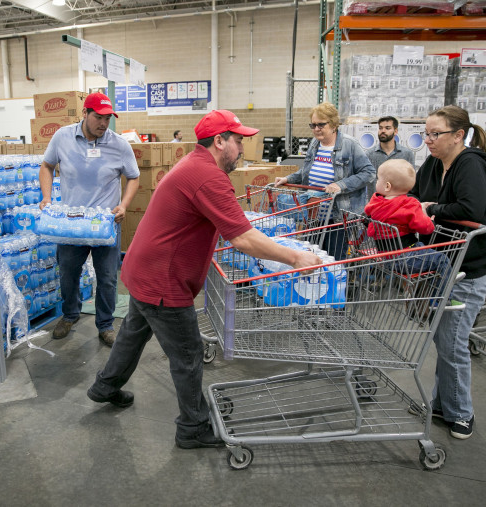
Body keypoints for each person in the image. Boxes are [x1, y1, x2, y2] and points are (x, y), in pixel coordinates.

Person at [86, 110, 322, 449]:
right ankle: (193, 428)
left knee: (132, 334)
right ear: (219, 141)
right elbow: (242, 238)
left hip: (143, 269)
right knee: (188, 353)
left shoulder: (194, 165)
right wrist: (295, 257)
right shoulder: (207, 176)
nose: (242, 148)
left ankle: (105, 387)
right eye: (238, 140)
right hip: (164, 280)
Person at [409, 105, 486, 440]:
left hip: (468, 268)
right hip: (441, 260)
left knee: (453, 342)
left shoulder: (471, 165)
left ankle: (462, 413)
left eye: (435, 134)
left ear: (458, 135)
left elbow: (471, 209)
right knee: (443, 340)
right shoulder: (433, 162)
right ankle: (442, 405)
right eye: (426, 134)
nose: (428, 140)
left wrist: (431, 209)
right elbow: (416, 196)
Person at [38, 92, 140, 346]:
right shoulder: (62, 136)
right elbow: (47, 165)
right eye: (98, 117)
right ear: (84, 113)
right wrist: (47, 198)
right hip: (71, 224)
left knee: (107, 277)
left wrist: (123, 205)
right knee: (68, 274)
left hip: (105, 225)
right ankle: (69, 315)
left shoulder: (119, 145)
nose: (103, 124)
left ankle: (105, 324)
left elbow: (134, 177)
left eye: (108, 118)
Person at [273, 102, 375, 260]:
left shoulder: (349, 145)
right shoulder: (315, 144)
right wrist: (288, 178)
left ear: (334, 124)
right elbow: (306, 172)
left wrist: (340, 185)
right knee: (312, 256)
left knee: (334, 259)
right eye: (313, 125)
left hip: (337, 216)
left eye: (321, 125)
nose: (316, 129)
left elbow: (369, 173)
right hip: (313, 213)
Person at [364, 160, 452, 309]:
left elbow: (367, 213)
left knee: (423, 249)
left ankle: (442, 281)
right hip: (404, 257)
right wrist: (430, 222)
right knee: (443, 260)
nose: (376, 182)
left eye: (378, 179)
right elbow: (425, 228)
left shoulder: (376, 201)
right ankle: (440, 300)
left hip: (385, 255)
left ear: (387, 186)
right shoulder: (409, 204)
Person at [365, 116, 416, 198]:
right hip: (377, 204)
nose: (383, 131)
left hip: (399, 205)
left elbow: (411, 181)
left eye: (387, 128)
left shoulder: (406, 154)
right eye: (380, 128)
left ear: (395, 131)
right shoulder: (369, 155)